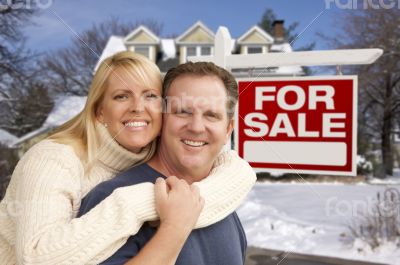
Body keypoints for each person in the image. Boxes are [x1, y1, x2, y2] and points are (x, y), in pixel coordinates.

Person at [0, 52, 256, 265]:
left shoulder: (218, 197)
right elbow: (34, 258)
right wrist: (150, 208)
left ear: (228, 130)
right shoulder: (59, 163)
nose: (137, 107)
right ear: (100, 111)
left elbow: (234, 169)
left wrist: (241, 172)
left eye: (150, 96)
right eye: (182, 111)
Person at [78, 61, 248, 265]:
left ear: (228, 129)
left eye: (211, 115)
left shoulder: (222, 200)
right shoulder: (111, 198)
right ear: (162, 118)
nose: (196, 127)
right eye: (183, 112)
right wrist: (173, 229)